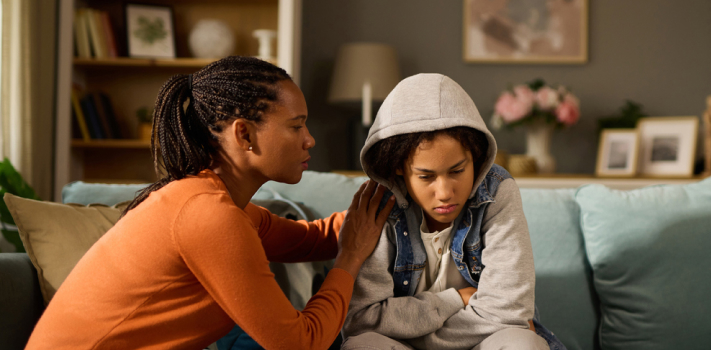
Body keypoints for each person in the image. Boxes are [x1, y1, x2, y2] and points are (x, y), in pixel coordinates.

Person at [25, 56, 394, 350]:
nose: (310, 139)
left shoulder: (218, 203)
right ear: (244, 134)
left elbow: (311, 239)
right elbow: (300, 343)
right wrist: (350, 258)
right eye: (296, 126)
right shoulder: (208, 216)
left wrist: (399, 196)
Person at [341, 74, 565, 350]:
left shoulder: (497, 192)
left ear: (477, 157)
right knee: (362, 346)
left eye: (457, 171)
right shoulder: (377, 205)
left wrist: (413, 333)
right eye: (426, 176)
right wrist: (455, 299)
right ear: (398, 167)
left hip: (480, 344)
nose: (445, 192)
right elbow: (361, 320)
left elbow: (508, 314)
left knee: (524, 344)